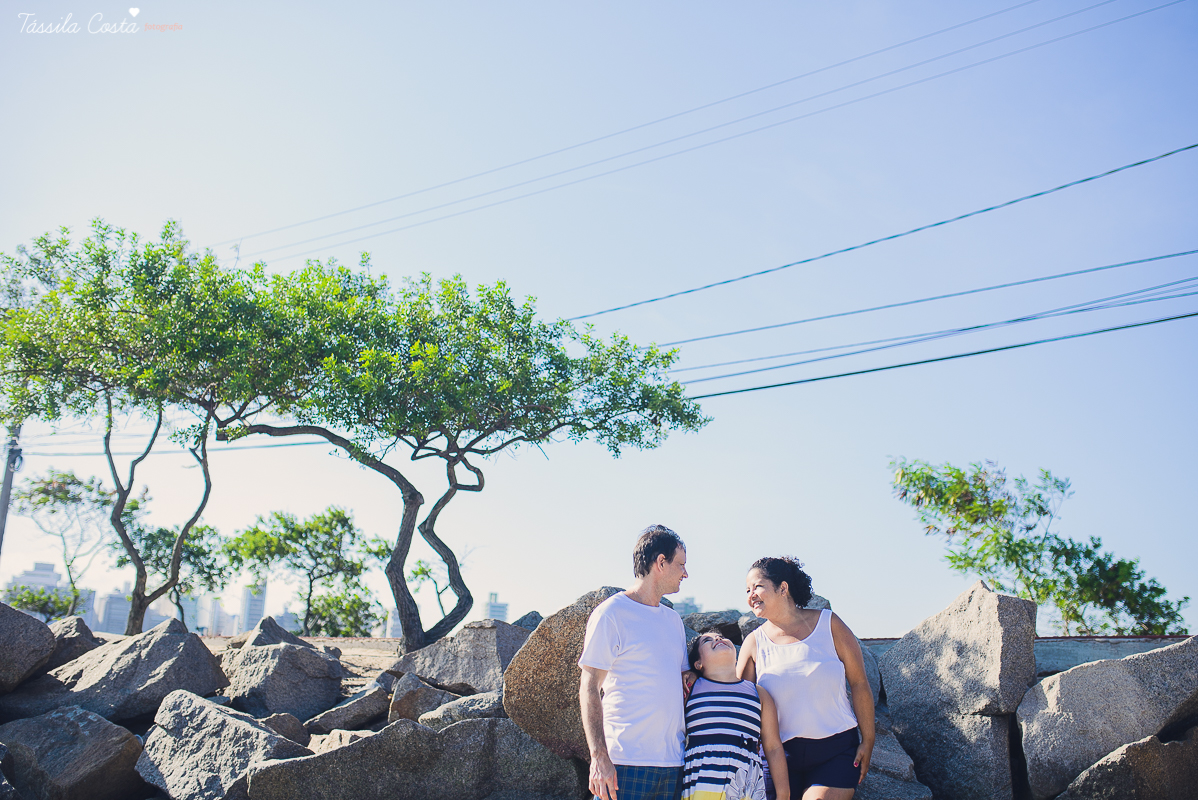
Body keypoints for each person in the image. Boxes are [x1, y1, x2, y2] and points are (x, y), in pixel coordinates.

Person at [736, 557, 875, 800]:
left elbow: (860, 683)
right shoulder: (753, 643)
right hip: (777, 758)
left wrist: (869, 740)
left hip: (837, 750)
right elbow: (738, 703)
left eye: (757, 586)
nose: (751, 595)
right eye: (747, 590)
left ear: (783, 587)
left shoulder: (829, 623)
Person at [579, 524, 692, 800]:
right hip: (624, 762)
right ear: (661, 563)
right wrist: (599, 757)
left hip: (673, 763)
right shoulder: (612, 614)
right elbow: (589, 687)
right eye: (681, 565)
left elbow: (683, 681)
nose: (685, 573)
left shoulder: (673, 621)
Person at [682, 631, 790, 800]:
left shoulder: (758, 694)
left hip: (746, 786)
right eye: (707, 640)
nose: (718, 639)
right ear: (698, 663)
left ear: (736, 657)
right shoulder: (691, 688)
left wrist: (784, 793)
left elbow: (773, 747)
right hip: (701, 782)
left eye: (721, 637)